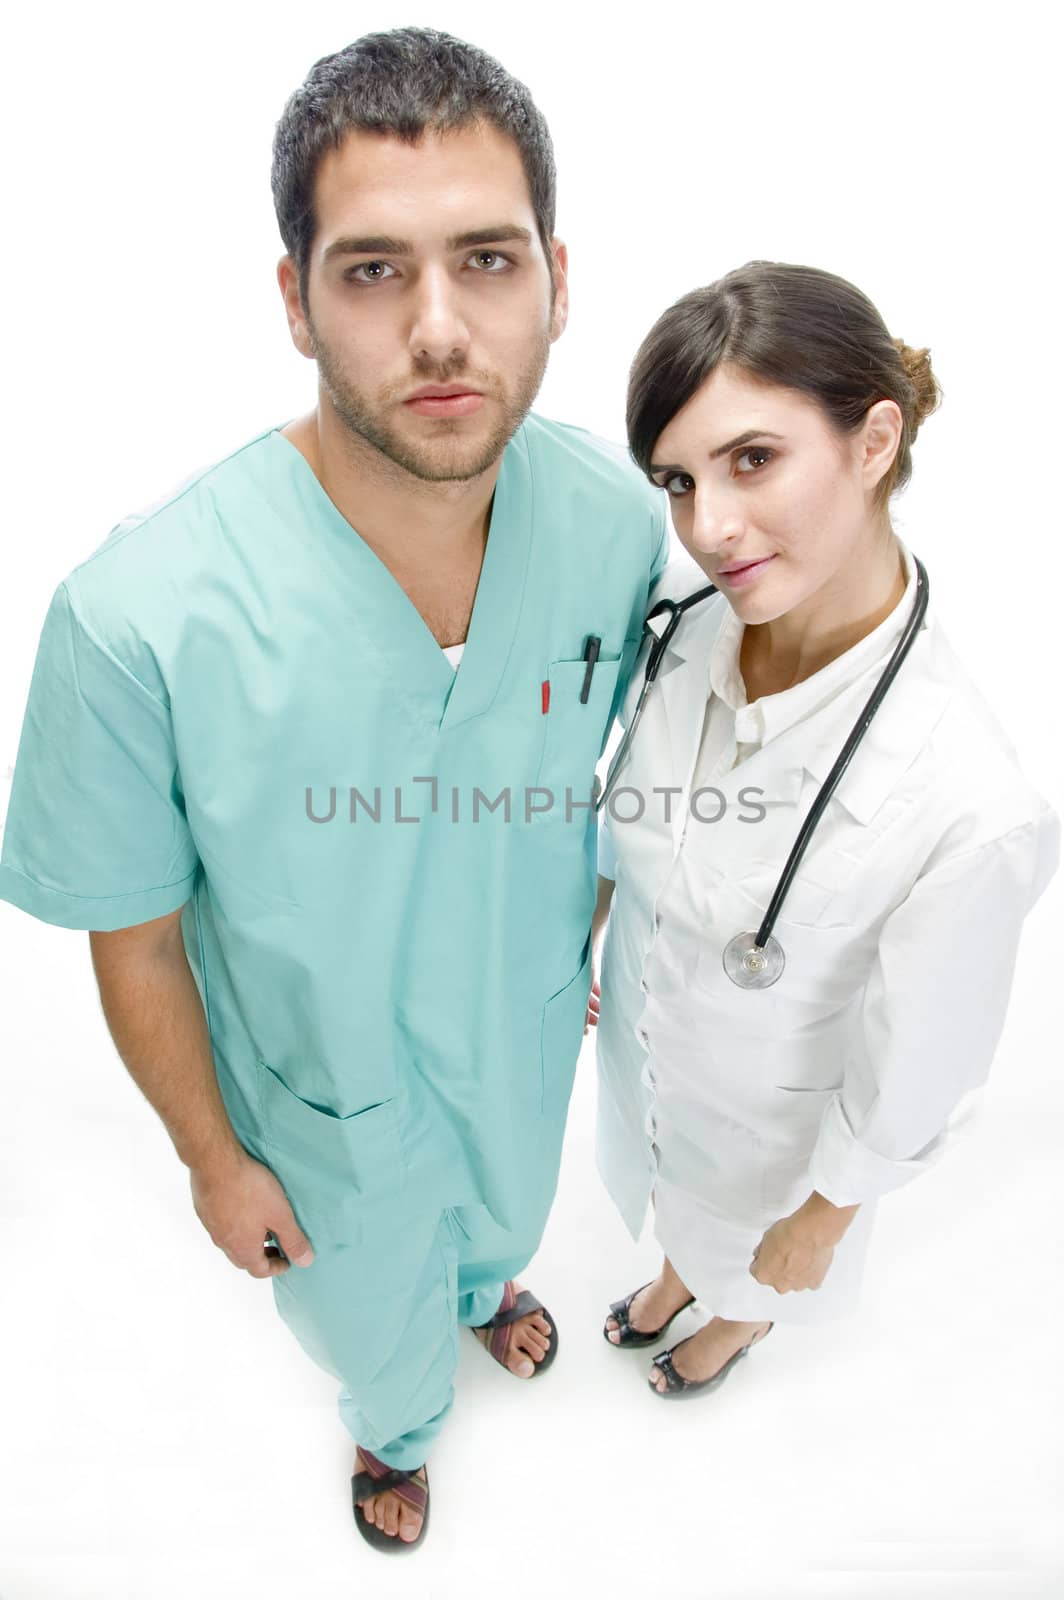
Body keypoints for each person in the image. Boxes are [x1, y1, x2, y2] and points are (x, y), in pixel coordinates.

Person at [0, 29, 668, 1551]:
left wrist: (602, 922)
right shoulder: (136, 621)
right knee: (368, 1313)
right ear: (294, 299)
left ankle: (489, 1291)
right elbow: (137, 934)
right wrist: (213, 1160)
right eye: (373, 271)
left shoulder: (619, 532)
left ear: (558, 279)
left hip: (521, 1031)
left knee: (502, 1211)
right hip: (322, 1102)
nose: (441, 326)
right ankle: (397, 1430)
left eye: (487, 260)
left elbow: (634, 755)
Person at [587, 261, 1059, 1400]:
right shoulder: (679, 634)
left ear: (872, 440)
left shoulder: (970, 805)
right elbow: (625, 813)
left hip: (778, 1139)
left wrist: (826, 1213)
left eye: (751, 459)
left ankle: (733, 1322)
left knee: (749, 1250)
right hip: (650, 1068)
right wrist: (593, 920)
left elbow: (918, 1066)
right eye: (677, 480)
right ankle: (671, 1276)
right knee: (669, 1199)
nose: (709, 526)